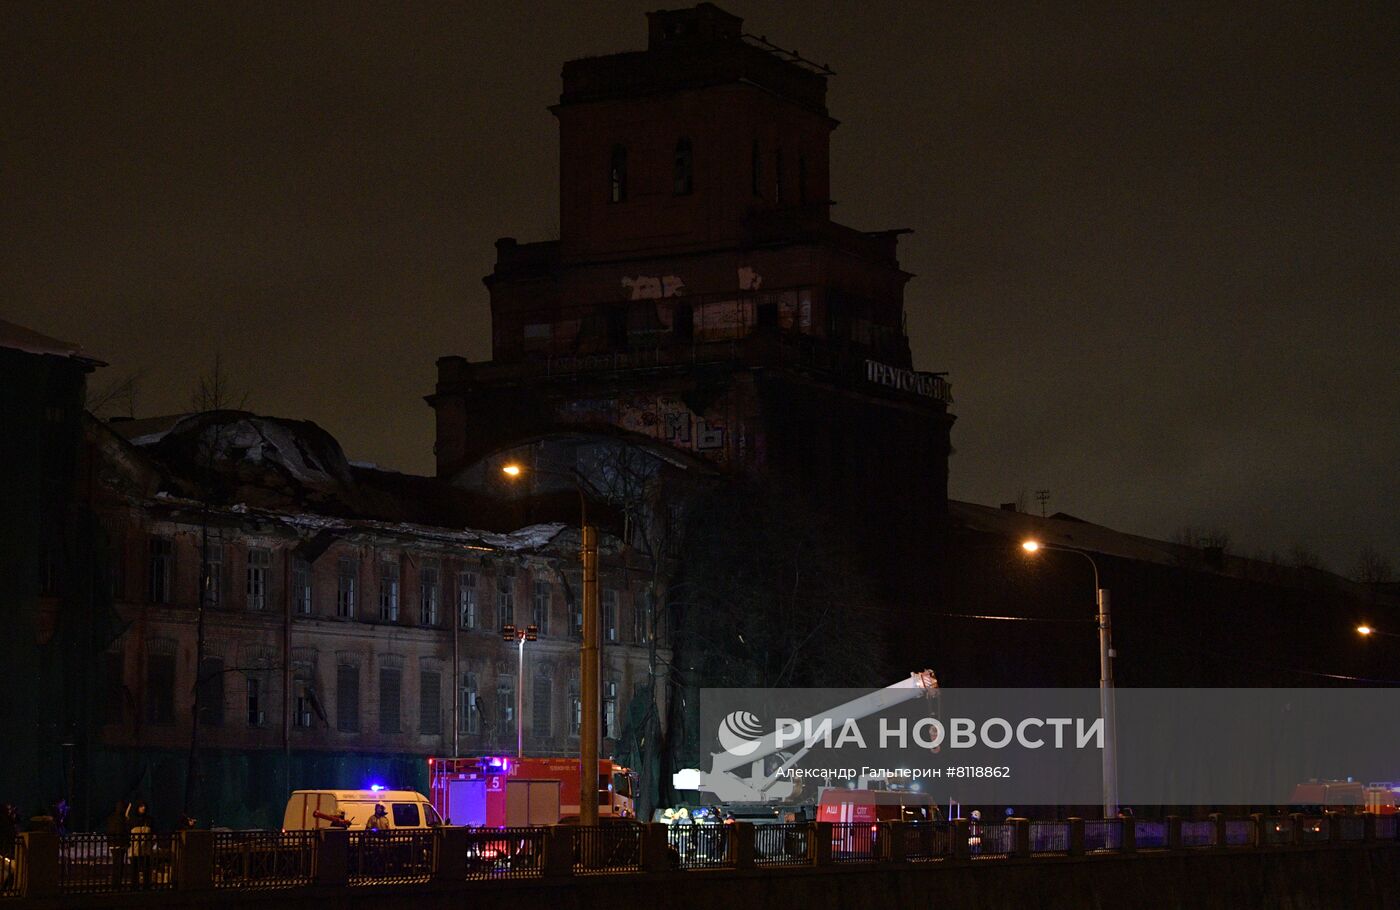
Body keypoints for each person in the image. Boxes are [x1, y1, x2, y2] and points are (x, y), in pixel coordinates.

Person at [127, 801, 154, 889]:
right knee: (135, 870)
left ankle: (146, 885)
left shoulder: (149, 820)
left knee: (146, 869)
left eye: (144, 806)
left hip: (145, 850)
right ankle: (135, 886)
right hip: (135, 849)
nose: (143, 808)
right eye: (141, 806)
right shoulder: (133, 820)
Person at [105, 801, 130, 888]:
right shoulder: (122, 818)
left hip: (113, 843)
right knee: (119, 864)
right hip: (120, 844)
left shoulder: (111, 817)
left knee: (116, 864)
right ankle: (117, 882)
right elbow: (124, 830)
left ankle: (115, 882)